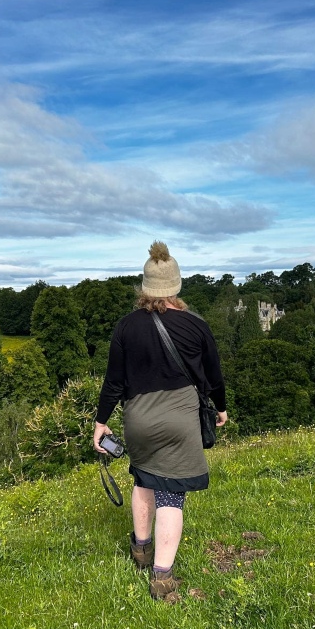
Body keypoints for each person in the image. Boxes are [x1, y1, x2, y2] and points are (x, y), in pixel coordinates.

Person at [93, 242, 228, 600]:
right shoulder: (196, 326)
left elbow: (114, 382)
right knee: (172, 494)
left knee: (143, 478)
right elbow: (214, 375)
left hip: (138, 418)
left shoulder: (125, 327)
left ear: (144, 286)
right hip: (180, 419)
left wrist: (100, 422)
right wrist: (221, 407)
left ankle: (141, 551)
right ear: (176, 285)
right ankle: (162, 578)